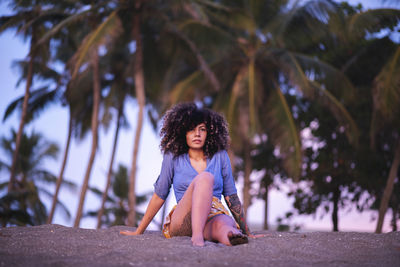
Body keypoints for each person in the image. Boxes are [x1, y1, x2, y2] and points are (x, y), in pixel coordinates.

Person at [120, 102, 260, 246]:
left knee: (223, 225)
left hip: (213, 213)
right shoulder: (173, 156)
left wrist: (247, 231)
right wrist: (139, 230)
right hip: (183, 218)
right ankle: (197, 237)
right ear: (182, 132)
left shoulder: (220, 155)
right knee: (206, 178)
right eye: (191, 129)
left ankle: (232, 236)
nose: (197, 134)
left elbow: (231, 197)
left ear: (209, 133)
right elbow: (159, 194)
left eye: (202, 129)